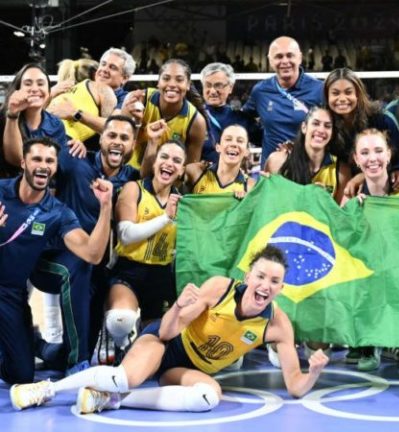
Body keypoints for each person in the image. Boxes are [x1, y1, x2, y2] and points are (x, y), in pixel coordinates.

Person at [10, 246, 330, 413]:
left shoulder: (277, 324)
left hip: (185, 370)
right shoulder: (219, 288)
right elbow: (165, 332)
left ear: (281, 288)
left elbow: (295, 388)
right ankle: (46, 390)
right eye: (261, 277)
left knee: (208, 397)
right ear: (248, 277)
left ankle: (113, 401)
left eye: (274, 282)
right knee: (122, 377)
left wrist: (313, 372)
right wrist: (178, 307)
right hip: (166, 343)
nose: (265, 285)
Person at [4, 115, 139, 374]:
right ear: (100, 138)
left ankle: (45, 347)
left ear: (133, 144)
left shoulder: (133, 179)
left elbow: (94, 253)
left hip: (90, 262)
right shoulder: (75, 160)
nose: (117, 141)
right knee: (77, 267)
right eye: (111, 135)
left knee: (35, 365)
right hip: (47, 260)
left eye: (125, 137)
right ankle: (78, 363)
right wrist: (17, 112)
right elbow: (35, 141)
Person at [341, 129, 399, 373]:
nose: (373, 158)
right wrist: (351, 218)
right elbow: (343, 251)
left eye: (379, 151)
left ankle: (398, 341)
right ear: (357, 160)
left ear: (389, 155)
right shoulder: (351, 200)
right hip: (369, 288)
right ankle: (368, 339)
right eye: (365, 153)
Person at [104, 139, 186, 361]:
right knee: (120, 319)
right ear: (155, 161)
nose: (170, 163)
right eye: (165, 157)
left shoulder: (185, 202)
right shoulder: (134, 188)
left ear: (182, 169)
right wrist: (165, 218)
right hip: (128, 268)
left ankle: (139, 340)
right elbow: (126, 235)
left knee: (162, 337)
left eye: (177, 161)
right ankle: (122, 343)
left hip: (161, 275)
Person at [324, 68, 399, 192]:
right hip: (345, 184)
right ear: (327, 96)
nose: (342, 98)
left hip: (383, 178)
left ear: (358, 94)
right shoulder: (326, 124)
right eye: (335, 93)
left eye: (348, 92)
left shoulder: (382, 118)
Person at [242, 36, 324, 169]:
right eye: (279, 56)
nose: (285, 61)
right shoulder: (261, 91)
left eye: (290, 55)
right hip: (272, 173)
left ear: (300, 58)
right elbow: (243, 119)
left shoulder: (319, 89)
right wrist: (262, 138)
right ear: (270, 60)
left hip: (309, 171)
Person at [121, 58, 207, 169]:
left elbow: (189, 170)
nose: (172, 84)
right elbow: (121, 149)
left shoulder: (196, 122)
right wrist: (136, 122)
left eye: (179, 80)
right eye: (166, 78)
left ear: (188, 85)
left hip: (167, 180)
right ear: (158, 82)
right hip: (129, 172)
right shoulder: (137, 100)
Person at [265, 107, 351, 204]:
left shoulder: (341, 172)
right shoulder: (277, 161)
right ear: (304, 127)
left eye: (327, 126)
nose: (321, 130)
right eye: (315, 123)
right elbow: (266, 204)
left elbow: (337, 213)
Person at [3, 64, 75, 172]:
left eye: (41, 84)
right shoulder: (5, 117)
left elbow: (57, 165)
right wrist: (13, 115)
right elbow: (16, 160)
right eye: (28, 84)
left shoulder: (55, 124)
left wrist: (77, 146)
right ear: (17, 89)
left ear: (49, 91)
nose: (35, 89)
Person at [47, 58, 118, 150]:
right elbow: (113, 130)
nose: (104, 72)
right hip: (59, 142)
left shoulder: (57, 93)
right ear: (94, 74)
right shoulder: (102, 89)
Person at [198, 62, 256, 163]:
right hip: (202, 177)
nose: (212, 91)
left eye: (218, 86)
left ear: (230, 87)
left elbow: (267, 139)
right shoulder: (194, 116)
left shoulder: (241, 117)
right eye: (207, 85)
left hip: (234, 177)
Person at [183, 123, 256, 195]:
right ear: (218, 147)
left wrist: (247, 202)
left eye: (240, 141)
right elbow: (174, 178)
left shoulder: (251, 187)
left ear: (247, 151)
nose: (234, 144)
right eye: (228, 139)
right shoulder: (196, 172)